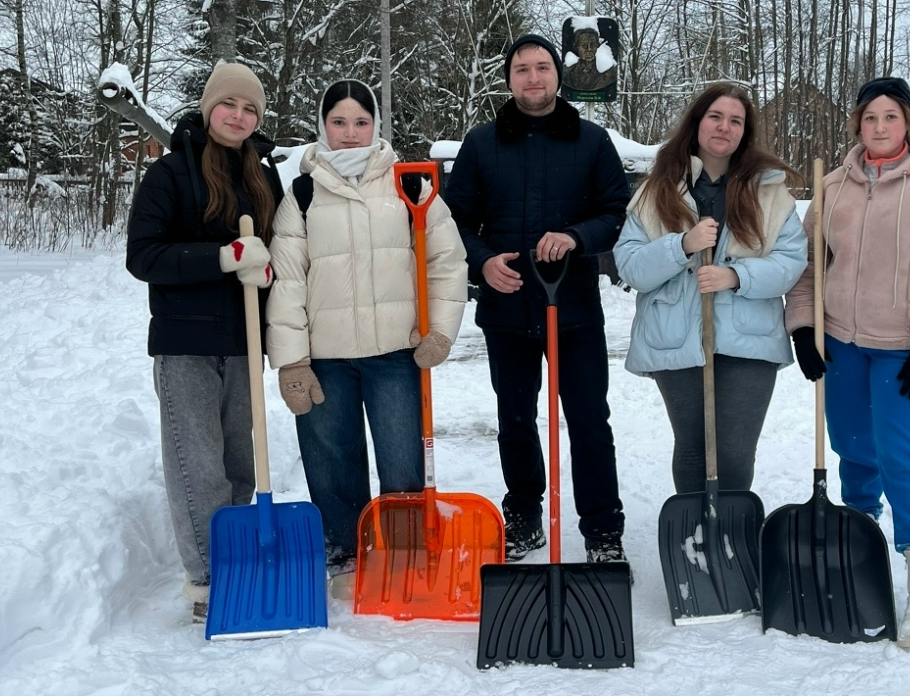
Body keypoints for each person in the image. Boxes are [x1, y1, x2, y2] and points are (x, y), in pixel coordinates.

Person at [783, 76, 910, 649]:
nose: (880, 126)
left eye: (891, 116)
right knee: (851, 445)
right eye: (870, 117)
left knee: (900, 451)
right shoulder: (833, 185)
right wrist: (804, 327)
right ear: (858, 124)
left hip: (903, 346)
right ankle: (860, 542)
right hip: (841, 340)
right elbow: (808, 265)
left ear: (908, 122)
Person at [264, 79, 468, 591]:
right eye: (339, 122)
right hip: (325, 356)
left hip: (396, 354)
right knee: (331, 460)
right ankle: (344, 549)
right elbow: (288, 282)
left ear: (376, 125)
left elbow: (446, 263)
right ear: (323, 126)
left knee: (402, 459)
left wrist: (442, 331)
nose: (351, 132)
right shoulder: (303, 195)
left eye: (361, 121)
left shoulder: (410, 187)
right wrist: (291, 360)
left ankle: (403, 548)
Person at [443, 34, 631, 563]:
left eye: (542, 67)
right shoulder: (481, 143)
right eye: (522, 68)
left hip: (574, 307)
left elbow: (616, 212)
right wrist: (482, 262)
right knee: (516, 420)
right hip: (506, 309)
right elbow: (454, 220)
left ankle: (602, 530)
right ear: (509, 79)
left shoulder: (591, 141)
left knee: (589, 420)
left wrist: (576, 237)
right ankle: (524, 516)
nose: (532, 77)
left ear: (557, 75)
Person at [125, 63, 282, 622]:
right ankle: (207, 579)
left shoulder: (264, 177)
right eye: (229, 105)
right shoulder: (169, 173)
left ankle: (236, 560)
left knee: (240, 460)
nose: (238, 117)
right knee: (198, 465)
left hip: (243, 340)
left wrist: (268, 274)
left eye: (250, 109)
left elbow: (277, 250)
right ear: (209, 107)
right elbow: (143, 256)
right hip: (186, 343)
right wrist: (221, 257)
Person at [613, 83, 807, 495]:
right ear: (697, 123)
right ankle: (693, 528)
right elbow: (630, 266)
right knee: (692, 448)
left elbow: (790, 263)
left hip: (749, 338)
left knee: (734, 450)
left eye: (735, 121)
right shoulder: (657, 190)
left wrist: (736, 277)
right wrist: (682, 245)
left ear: (745, 132)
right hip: (676, 334)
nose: (724, 127)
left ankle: (729, 529)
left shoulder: (769, 192)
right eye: (715, 117)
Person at [563, 27, 617, 93]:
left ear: (598, 46)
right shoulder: (566, 72)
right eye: (584, 45)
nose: (589, 49)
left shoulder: (610, 72)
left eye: (593, 44)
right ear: (576, 48)